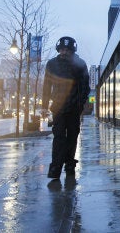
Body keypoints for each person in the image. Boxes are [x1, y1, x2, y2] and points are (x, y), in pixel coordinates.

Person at [42, 36, 90, 179]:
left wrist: (81, 103)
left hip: (74, 107)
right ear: (58, 49)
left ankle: (70, 164)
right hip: (57, 107)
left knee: (73, 136)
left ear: (72, 50)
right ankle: (55, 168)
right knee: (59, 137)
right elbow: (46, 86)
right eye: (62, 49)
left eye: (67, 50)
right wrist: (44, 106)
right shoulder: (51, 64)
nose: (64, 52)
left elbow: (85, 86)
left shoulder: (80, 64)